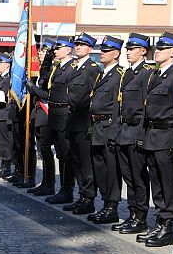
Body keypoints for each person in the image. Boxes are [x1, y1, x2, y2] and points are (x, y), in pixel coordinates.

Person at [136, 31, 173, 248]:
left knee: (168, 184)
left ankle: (168, 226)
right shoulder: (156, 75)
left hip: (166, 137)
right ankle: (160, 222)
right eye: (157, 48)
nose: (158, 52)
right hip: (152, 136)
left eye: (163, 49)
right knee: (156, 183)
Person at [112, 33, 153, 234]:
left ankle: (141, 217)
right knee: (128, 177)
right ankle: (132, 213)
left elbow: (147, 107)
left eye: (132, 49)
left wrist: (141, 135)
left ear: (143, 51)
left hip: (136, 131)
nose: (128, 52)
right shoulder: (128, 73)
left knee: (138, 177)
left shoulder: (147, 74)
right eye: (127, 49)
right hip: (124, 131)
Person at [87, 36, 123, 225]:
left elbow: (118, 106)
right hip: (97, 128)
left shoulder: (119, 75)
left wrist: (114, 132)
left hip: (108, 127)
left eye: (106, 51)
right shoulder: (103, 74)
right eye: (101, 50)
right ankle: (105, 204)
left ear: (116, 54)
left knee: (111, 171)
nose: (101, 53)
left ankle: (112, 207)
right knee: (99, 169)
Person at [62, 33, 100, 215]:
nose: (78, 47)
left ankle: (89, 199)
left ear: (90, 49)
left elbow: (89, 96)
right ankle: (82, 196)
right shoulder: (76, 67)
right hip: (73, 120)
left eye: (82, 45)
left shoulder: (92, 68)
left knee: (86, 163)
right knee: (76, 161)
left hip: (84, 120)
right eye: (76, 45)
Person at [45, 37, 77, 205]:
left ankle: (67, 190)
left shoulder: (72, 68)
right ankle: (62, 189)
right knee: (60, 154)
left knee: (66, 155)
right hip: (55, 114)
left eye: (58, 48)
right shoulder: (58, 68)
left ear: (68, 50)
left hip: (64, 114)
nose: (55, 51)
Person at [26, 39, 56, 196]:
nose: (41, 54)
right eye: (42, 52)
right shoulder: (44, 70)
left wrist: (33, 89)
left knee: (45, 149)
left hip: (46, 113)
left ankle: (49, 183)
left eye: (45, 51)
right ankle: (45, 181)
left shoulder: (53, 70)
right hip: (38, 113)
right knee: (42, 149)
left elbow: (48, 95)